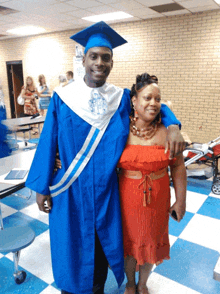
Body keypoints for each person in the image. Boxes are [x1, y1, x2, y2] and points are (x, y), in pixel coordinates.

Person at [25, 21, 185, 294]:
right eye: (93, 56)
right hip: (69, 189)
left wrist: (172, 124)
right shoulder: (63, 98)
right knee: (70, 244)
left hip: (107, 191)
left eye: (106, 58)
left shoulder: (120, 98)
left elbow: (153, 107)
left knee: (101, 244)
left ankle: (98, 287)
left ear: (112, 62)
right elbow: (47, 142)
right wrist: (42, 187)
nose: (99, 62)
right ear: (83, 59)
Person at [118, 73, 187, 294]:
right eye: (147, 98)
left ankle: (142, 283)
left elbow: (177, 167)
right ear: (134, 101)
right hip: (127, 197)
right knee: (129, 245)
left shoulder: (169, 133)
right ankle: (130, 283)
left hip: (157, 198)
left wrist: (181, 201)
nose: (154, 103)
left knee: (150, 244)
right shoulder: (120, 130)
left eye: (158, 99)